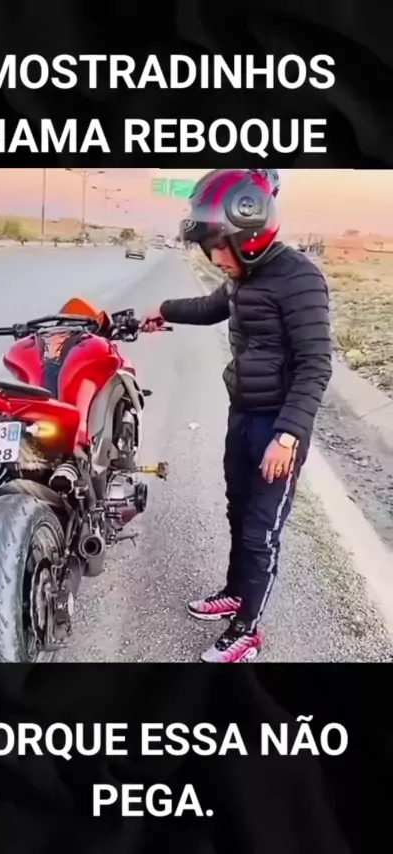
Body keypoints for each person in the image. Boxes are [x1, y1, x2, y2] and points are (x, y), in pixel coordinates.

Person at [140, 169, 332, 663]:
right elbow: (211, 307)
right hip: (243, 414)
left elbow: (316, 364)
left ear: (250, 233)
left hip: (278, 427)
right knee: (238, 512)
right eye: (208, 248)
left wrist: (288, 436)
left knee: (261, 530)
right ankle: (234, 592)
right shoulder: (243, 276)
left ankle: (247, 630)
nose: (214, 257)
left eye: (217, 246)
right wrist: (164, 309)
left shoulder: (300, 278)